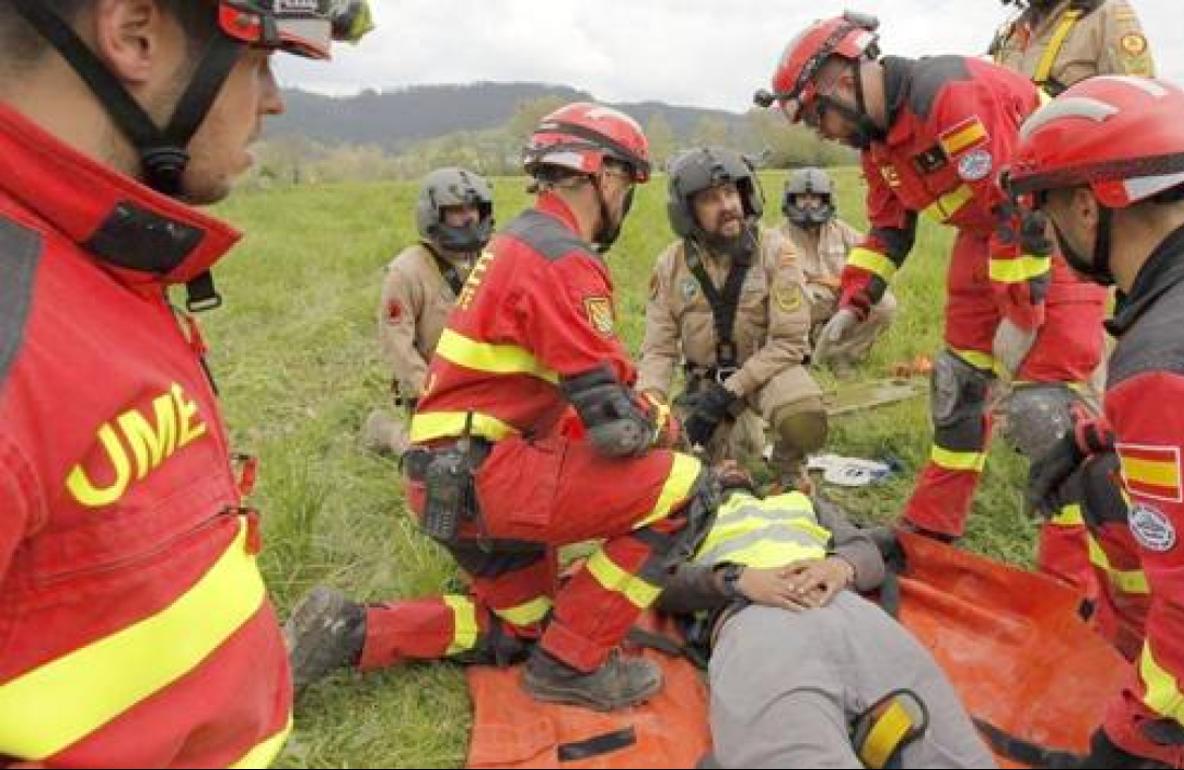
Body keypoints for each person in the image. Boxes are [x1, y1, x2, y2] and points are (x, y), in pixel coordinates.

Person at [0, 0, 369, 765]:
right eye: (260, 61)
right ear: (135, 34)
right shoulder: (16, 317)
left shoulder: (92, 258)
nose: (273, 100)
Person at [284, 103, 712, 713]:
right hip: (490, 479)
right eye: (627, 185)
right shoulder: (563, 257)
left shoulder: (512, 243)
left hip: (443, 482)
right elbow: (617, 427)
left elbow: (547, 399)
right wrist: (669, 427)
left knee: (520, 630)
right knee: (690, 492)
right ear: (606, 177)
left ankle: (353, 630)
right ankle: (572, 667)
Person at [757, 13, 1107, 592]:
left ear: (844, 77)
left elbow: (1018, 205)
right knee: (959, 391)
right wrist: (854, 302)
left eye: (819, 114)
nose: (824, 133)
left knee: (1046, 415)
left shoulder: (951, 97)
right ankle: (933, 527)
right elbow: (889, 228)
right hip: (985, 233)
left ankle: (1075, 579)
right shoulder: (879, 142)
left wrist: (1022, 315)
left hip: (1055, 221)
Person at [1011, 76, 1184, 768]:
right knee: (1108, 483)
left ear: (1086, 208)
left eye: (1046, 212)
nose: (1047, 236)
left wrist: (1122, 749)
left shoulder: (1169, 361)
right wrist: (1095, 438)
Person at [658, 467, 994, 768]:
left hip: (846, 611)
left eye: (737, 463)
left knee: (953, 749)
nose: (731, 465)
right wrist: (736, 579)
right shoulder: (690, 518)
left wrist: (840, 566)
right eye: (721, 465)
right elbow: (654, 583)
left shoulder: (800, 504)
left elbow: (865, 548)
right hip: (757, 621)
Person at [637, 146, 827, 491]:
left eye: (730, 192)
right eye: (710, 199)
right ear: (686, 212)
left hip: (762, 378)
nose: (727, 205)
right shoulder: (669, 265)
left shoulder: (777, 252)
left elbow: (790, 343)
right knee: (665, 463)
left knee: (803, 415)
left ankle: (788, 470)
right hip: (701, 386)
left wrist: (728, 392)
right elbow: (658, 351)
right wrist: (650, 406)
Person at [363, 167, 494, 456]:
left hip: (483, 384)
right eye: (456, 210)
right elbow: (398, 347)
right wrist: (432, 393)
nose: (469, 216)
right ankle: (386, 431)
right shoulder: (407, 272)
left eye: (473, 208)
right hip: (433, 389)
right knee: (439, 461)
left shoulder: (493, 261)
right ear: (434, 215)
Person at [778, 167, 897, 371]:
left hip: (842, 299)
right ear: (791, 200)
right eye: (801, 198)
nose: (808, 203)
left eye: (814, 198)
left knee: (885, 303)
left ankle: (842, 356)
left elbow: (871, 260)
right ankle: (800, 357)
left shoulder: (842, 231)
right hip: (806, 304)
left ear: (826, 200)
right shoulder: (777, 237)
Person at [989, 0, 1154, 97]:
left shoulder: (1107, 14)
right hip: (1018, 152)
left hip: (1085, 151)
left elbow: (1139, 102)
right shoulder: (1011, 37)